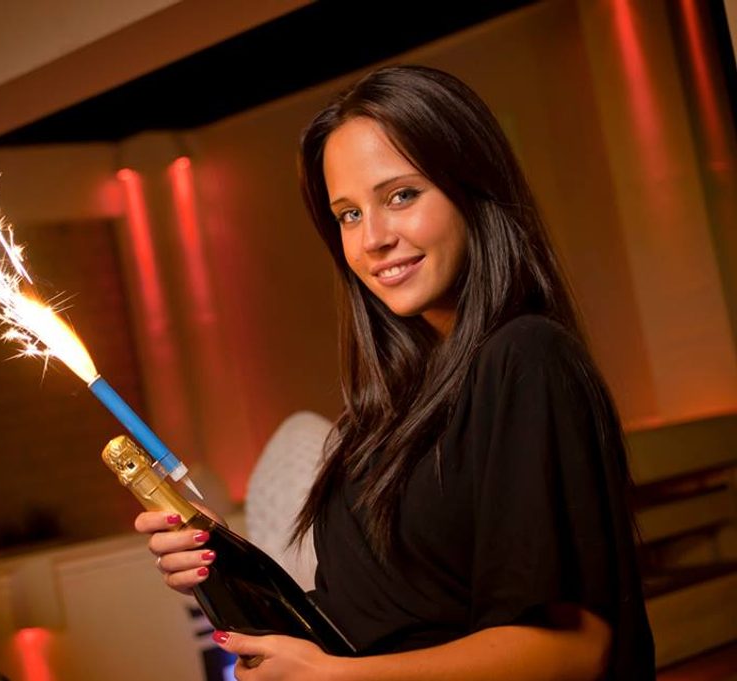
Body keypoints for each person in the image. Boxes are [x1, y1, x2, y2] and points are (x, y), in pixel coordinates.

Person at [134, 65, 655, 680]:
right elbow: (378, 621)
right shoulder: (388, 406)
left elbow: (573, 653)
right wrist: (229, 566)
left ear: (472, 188)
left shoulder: (526, 357)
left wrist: (336, 679)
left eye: (401, 195)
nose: (373, 239)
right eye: (348, 215)